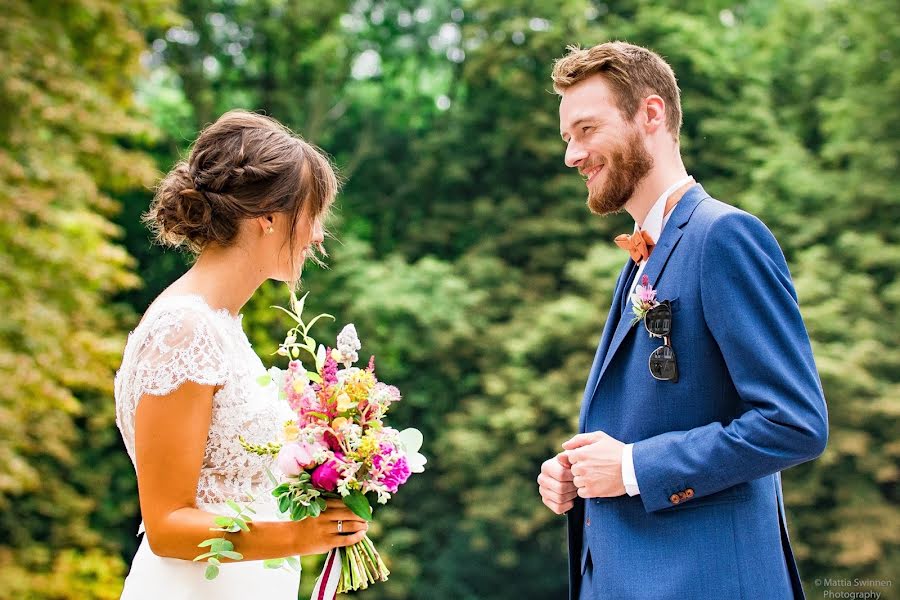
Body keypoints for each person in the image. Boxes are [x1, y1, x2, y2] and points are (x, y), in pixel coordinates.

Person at [536, 42, 828, 599]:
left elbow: (795, 423)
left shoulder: (724, 236)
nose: (572, 155)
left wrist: (631, 468)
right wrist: (577, 475)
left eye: (587, 129)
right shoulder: (643, 255)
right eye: (567, 137)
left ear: (651, 114)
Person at [114, 110, 368, 599]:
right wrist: (302, 536)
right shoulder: (183, 331)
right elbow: (167, 524)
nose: (317, 235)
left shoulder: (221, 326)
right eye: (311, 215)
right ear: (268, 218)